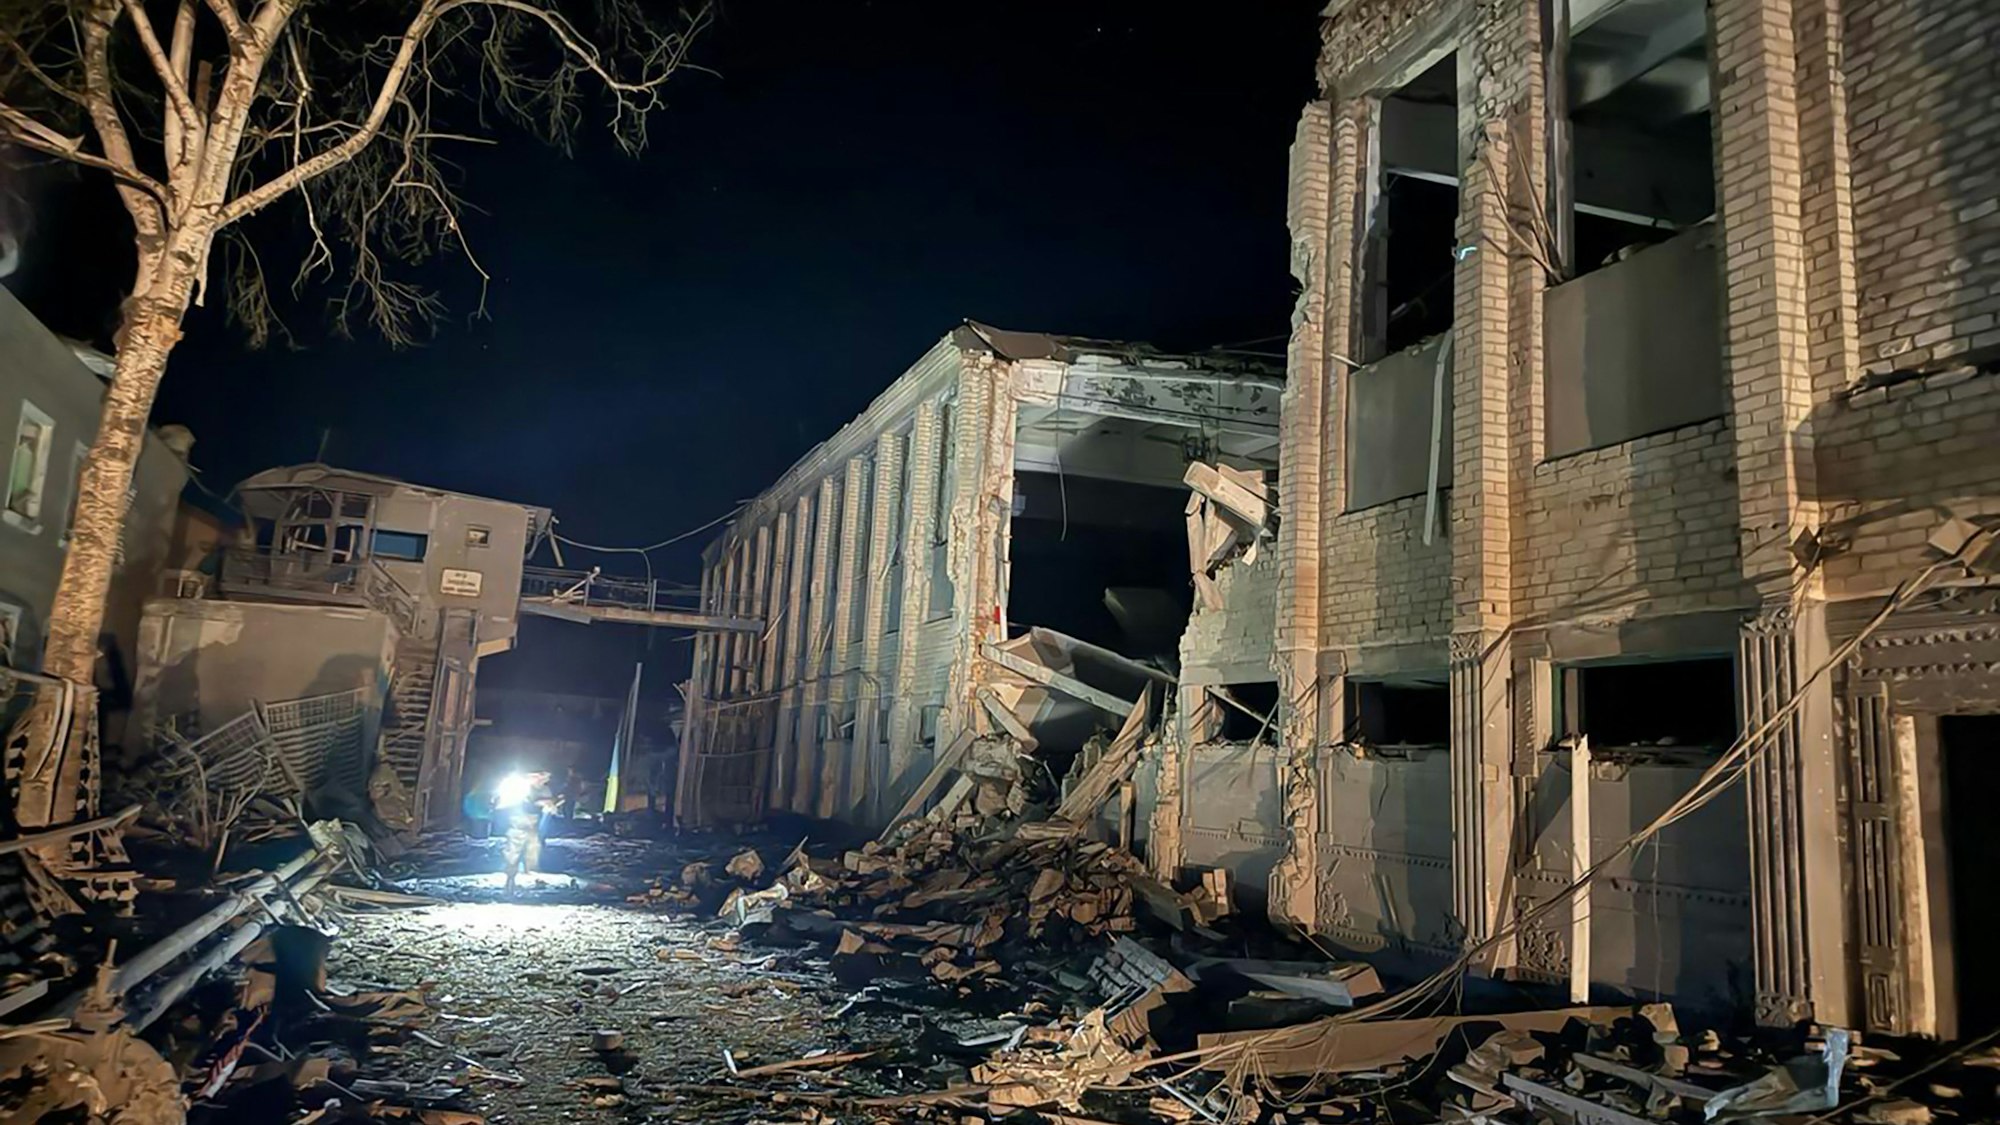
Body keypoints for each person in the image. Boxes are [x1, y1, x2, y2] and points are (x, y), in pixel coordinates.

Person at [494, 771, 553, 892]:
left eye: (545, 777)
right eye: (540, 776)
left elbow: (547, 806)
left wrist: (548, 805)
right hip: (518, 824)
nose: (543, 779)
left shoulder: (544, 790)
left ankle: (531, 874)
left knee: (533, 850)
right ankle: (510, 881)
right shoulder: (518, 786)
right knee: (513, 853)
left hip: (533, 825)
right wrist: (537, 803)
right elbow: (506, 804)